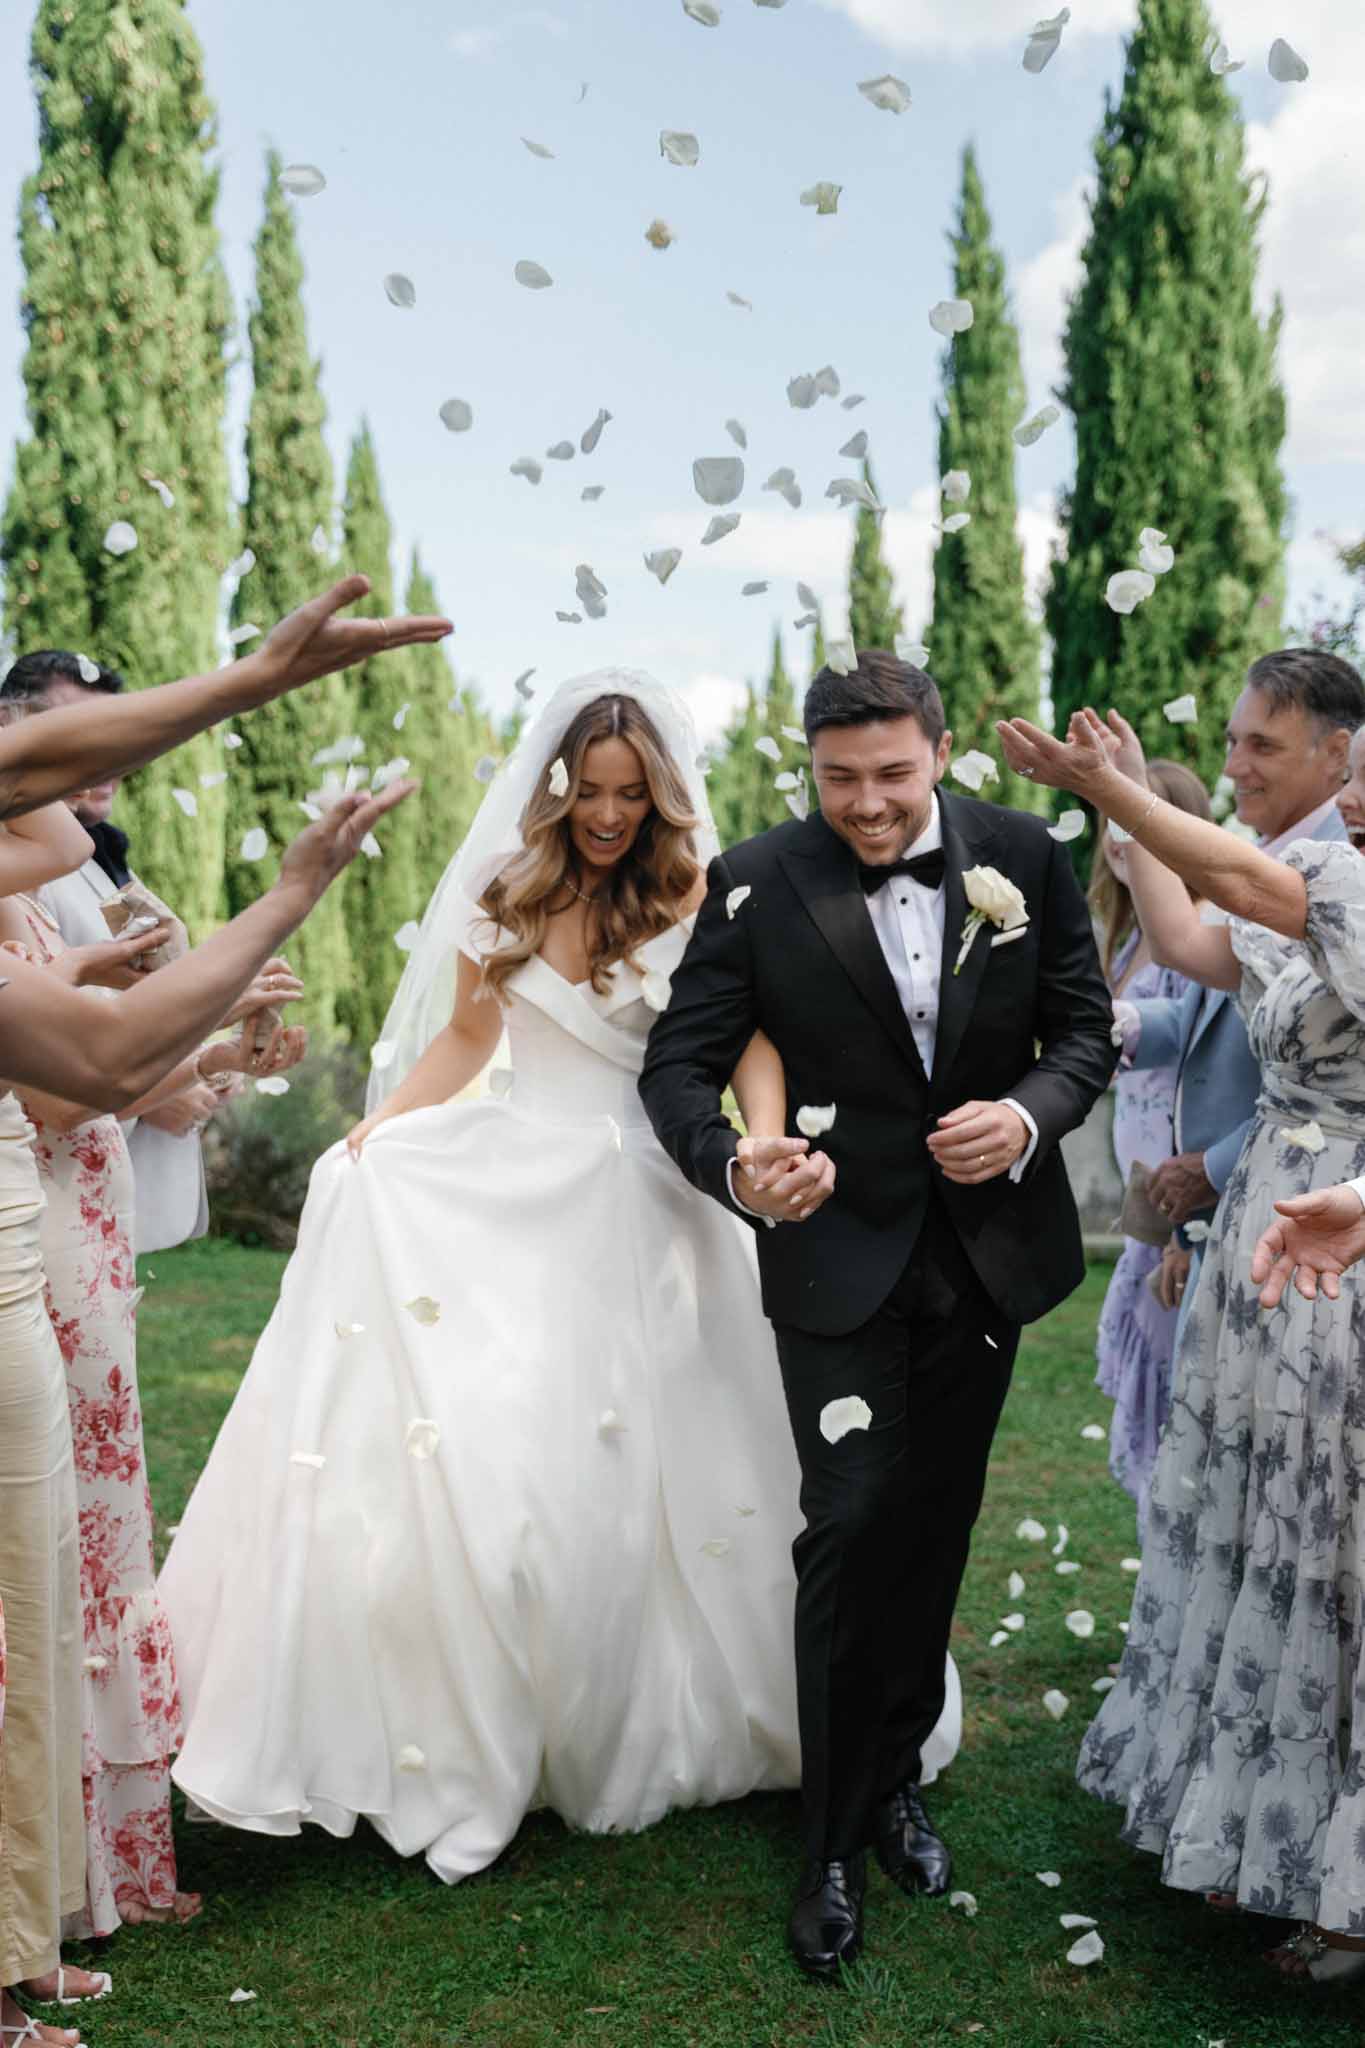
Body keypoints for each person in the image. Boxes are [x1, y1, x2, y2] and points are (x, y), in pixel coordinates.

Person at [157, 672, 965, 1892]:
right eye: (588, 792)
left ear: (660, 796)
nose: (606, 813)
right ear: (553, 790)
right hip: (520, 1178)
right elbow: (467, 1042)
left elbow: (753, 1038)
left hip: (656, 1187)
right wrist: (381, 1127)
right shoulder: (507, 894)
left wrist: (756, 1146)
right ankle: (506, 1722)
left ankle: (721, 1710)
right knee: (509, 1466)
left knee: (696, 1462)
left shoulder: (696, 891)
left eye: (629, 794)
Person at [0, 581, 444, 2046]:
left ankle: (33, 1927)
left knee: (48, 1596)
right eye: (60, 758)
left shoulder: (45, 900)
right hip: (23, 1266)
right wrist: (291, 841)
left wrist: (229, 1026)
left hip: (40, 1275)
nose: (94, 781)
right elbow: (100, 1068)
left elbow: (129, 1064)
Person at [640, 651, 1117, 1979]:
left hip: (984, 1259)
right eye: (838, 777)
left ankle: (895, 1769)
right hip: (832, 1255)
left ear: (943, 750)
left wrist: (1027, 1117)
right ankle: (829, 1847)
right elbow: (679, 1060)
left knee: (931, 1522)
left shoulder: (1026, 854)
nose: (865, 803)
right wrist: (735, 1162)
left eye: (893, 776)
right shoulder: (751, 878)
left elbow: (1082, 1034)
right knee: (847, 1519)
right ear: (809, 763)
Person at [998, 699, 1365, 1984]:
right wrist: (1121, 809)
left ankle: (1345, 1887)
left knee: (1335, 1548)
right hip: (1275, 1226)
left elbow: (1230, 868)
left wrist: (1119, 790)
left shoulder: (1326, 879)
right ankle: (1266, 1829)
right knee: (1259, 1523)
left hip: (1347, 1241)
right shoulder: (1326, 872)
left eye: (1287, 746)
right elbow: (1187, 933)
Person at [1114, 653, 1362, 1328]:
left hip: (1318, 1210)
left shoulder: (1341, 871)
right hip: (1241, 1210)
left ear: (1335, 751)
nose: (1231, 767)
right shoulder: (1268, 852)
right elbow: (1209, 998)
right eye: (1230, 741)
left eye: (1261, 745)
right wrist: (1107, 1025)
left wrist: (1123, 794)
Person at [0, 651, 264, 1257]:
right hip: (49, 1191)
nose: (103, 755)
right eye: (78, 734)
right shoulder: (34, 868)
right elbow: (49, 1058)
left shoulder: (106, 859)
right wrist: (177, 1081)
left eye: (111, 732)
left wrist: (208, 1059)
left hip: (105, 1190)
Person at [1090, 761, 1211, 1530]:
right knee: (1149, 1406)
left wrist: (1180, 1229)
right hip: (1143, 1196)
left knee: (1174, 1410)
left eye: (1139, 821)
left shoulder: (1194, 932)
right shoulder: (1125, 931)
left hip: (1178, 1197)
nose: (1118, 840)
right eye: (1111, 820)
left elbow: (1197, 1072)